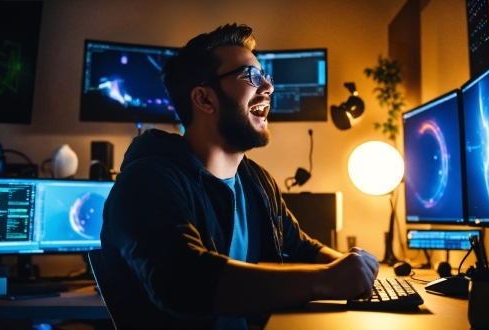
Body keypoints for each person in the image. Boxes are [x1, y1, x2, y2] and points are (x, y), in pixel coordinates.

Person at [100, 23, 379, 329]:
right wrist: (327, 280)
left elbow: (302, 248)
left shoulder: (257, 181)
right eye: (251, 76)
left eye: (266, 77)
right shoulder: (147, 181)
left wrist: (352, 268)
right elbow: (185, 283)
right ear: (204, 99)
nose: (268, 88)